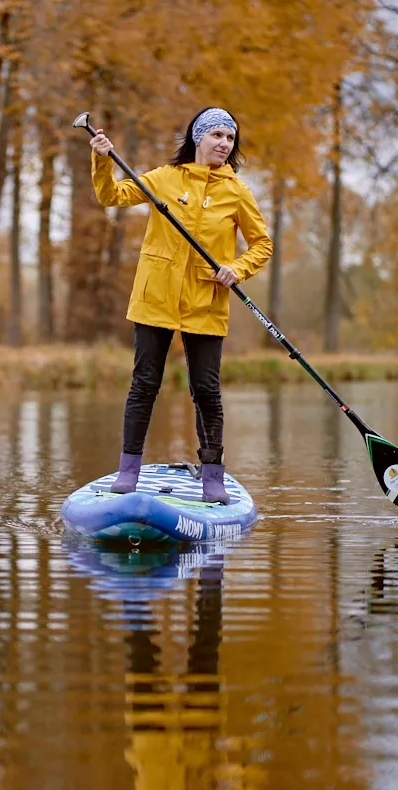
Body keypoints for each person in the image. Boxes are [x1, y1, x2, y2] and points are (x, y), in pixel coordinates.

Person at [90, 107, 273, 503]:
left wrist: (237, 268)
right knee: (144, 385)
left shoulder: (236, 190)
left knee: (206, 390)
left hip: (206, 301)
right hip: (155, 297)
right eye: (217, 136)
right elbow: (111, 195)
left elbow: (262, 245)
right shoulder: (163, 179)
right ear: (197, 138)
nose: (224, 144)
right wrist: (101, 160)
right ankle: (128, 470)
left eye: (230, 138)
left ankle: (212, 474)